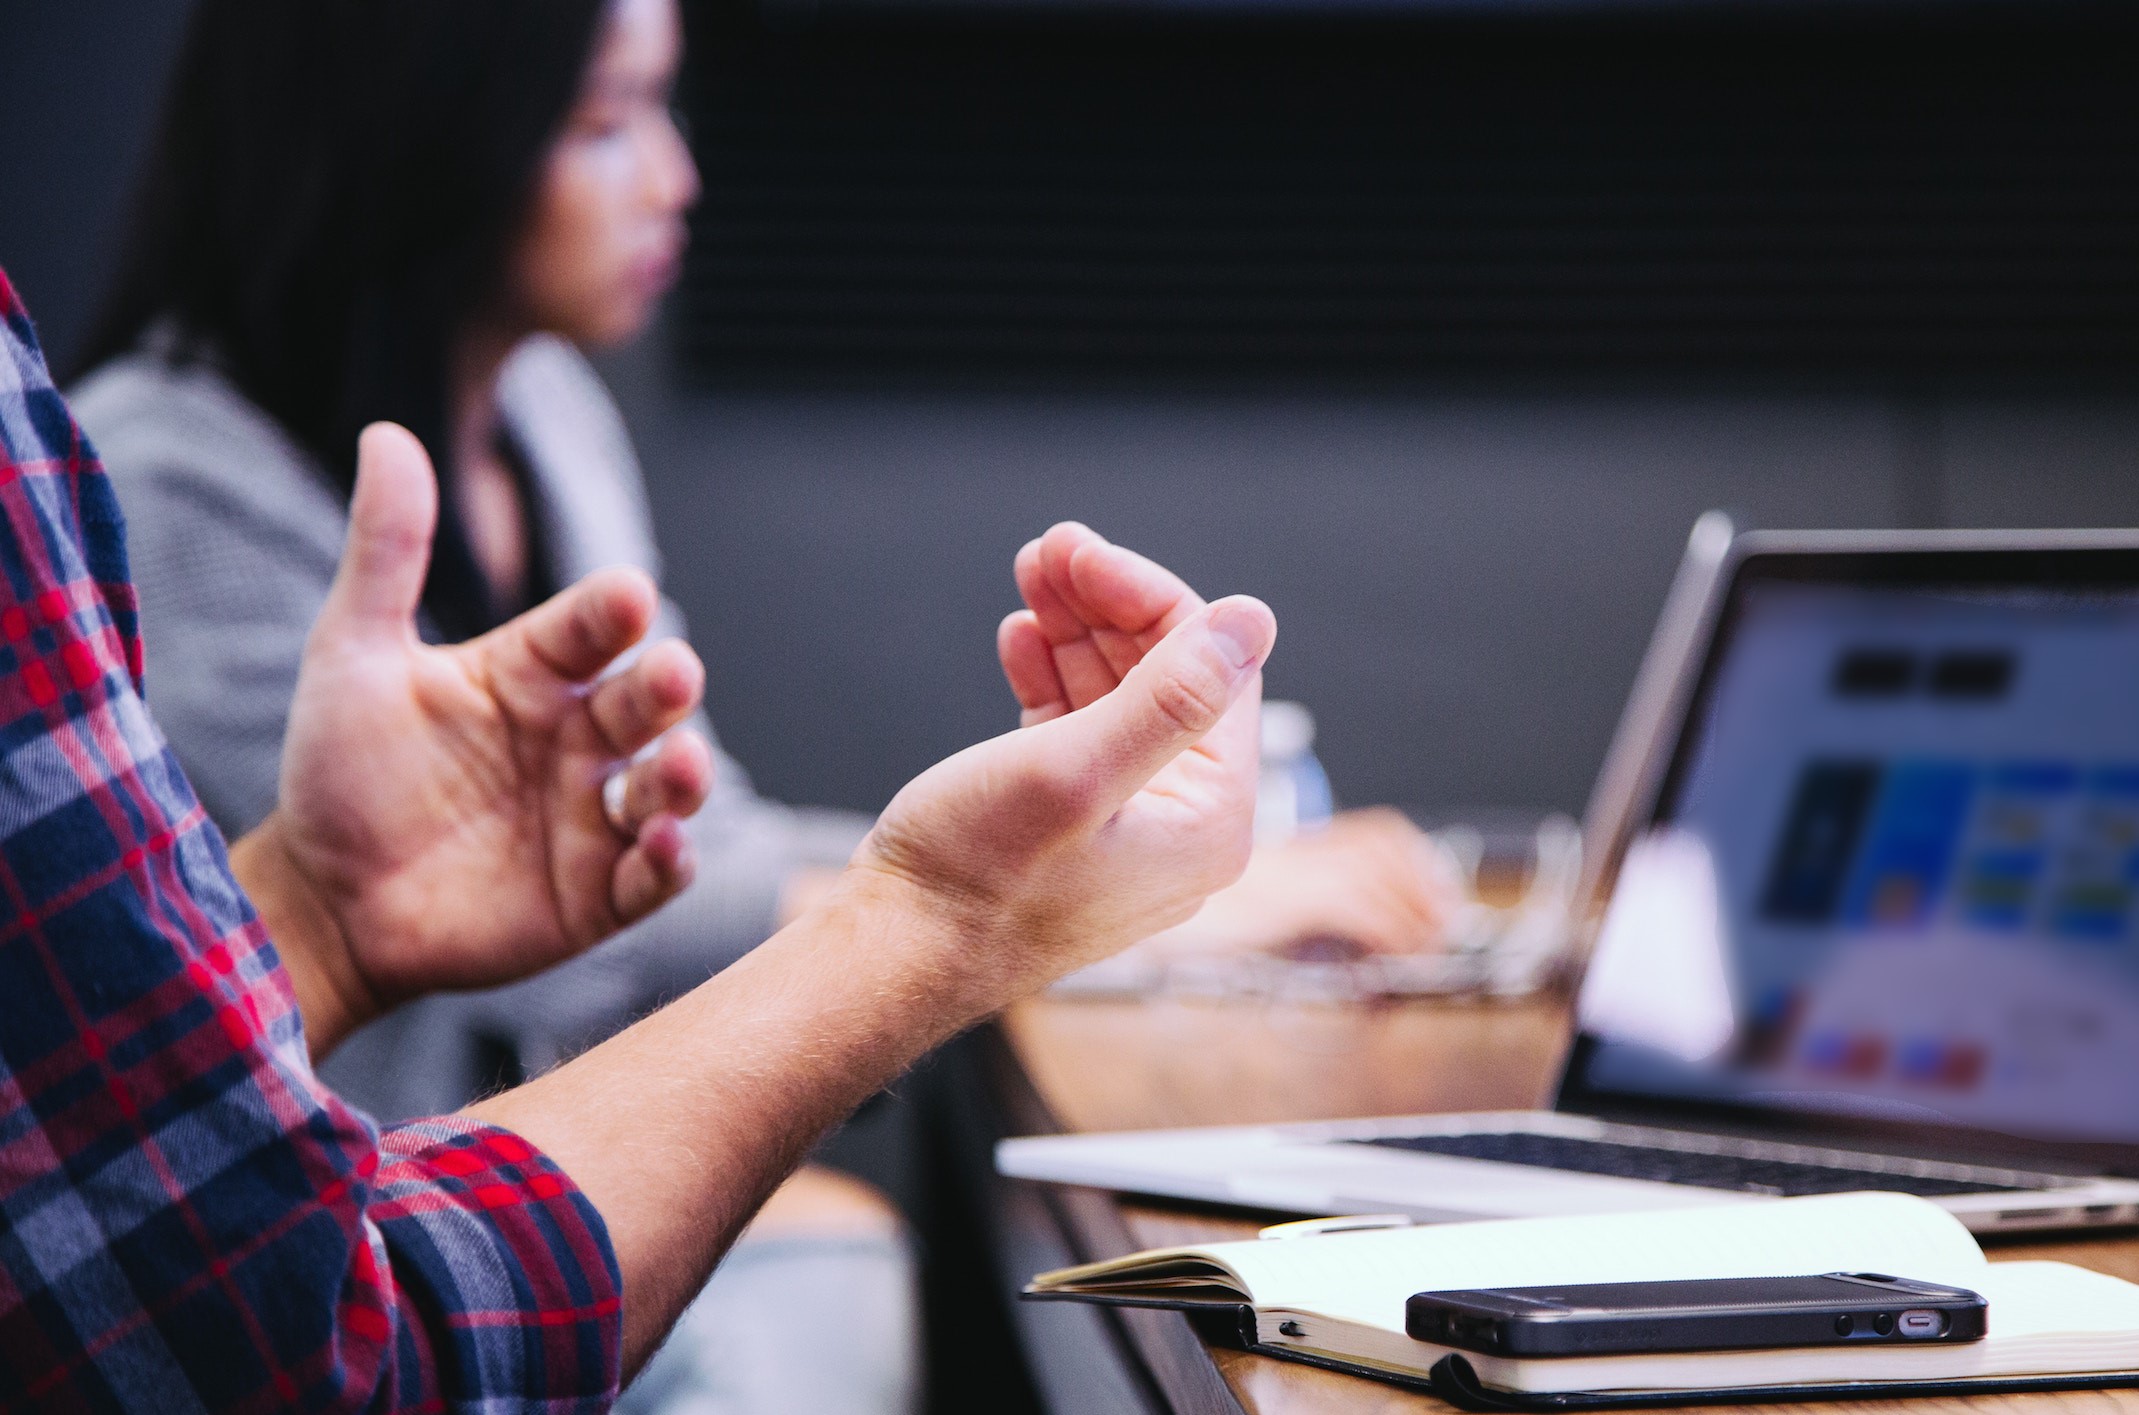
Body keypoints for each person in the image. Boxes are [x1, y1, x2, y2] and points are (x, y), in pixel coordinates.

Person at [0, 264, 1279, 1409]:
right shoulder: (160, 468)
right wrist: (944, 917)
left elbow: (74, 1120)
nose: (673, 173)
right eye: (609, 115)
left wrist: (321, 919)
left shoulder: (547, 408)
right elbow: (285, 1350)